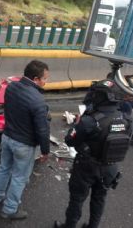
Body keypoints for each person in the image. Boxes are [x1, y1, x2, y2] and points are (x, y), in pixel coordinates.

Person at [54, 79, 132, 228]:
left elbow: (70, 140)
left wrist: (77, 125)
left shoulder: (90, 120)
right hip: (110, 167)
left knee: (77, 200)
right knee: (99, 199)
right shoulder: (126, 119)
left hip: (87, 167)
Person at [0, 60, 50, 220]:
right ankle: (10, 210)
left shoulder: (11, 87)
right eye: (45, 78)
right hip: (24, 144)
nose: (46, 82)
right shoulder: (38, 100)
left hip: (7, 137)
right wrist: (45, 151)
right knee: (19, 177)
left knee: (4, 168)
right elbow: (42, 130)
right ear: (36, 79)